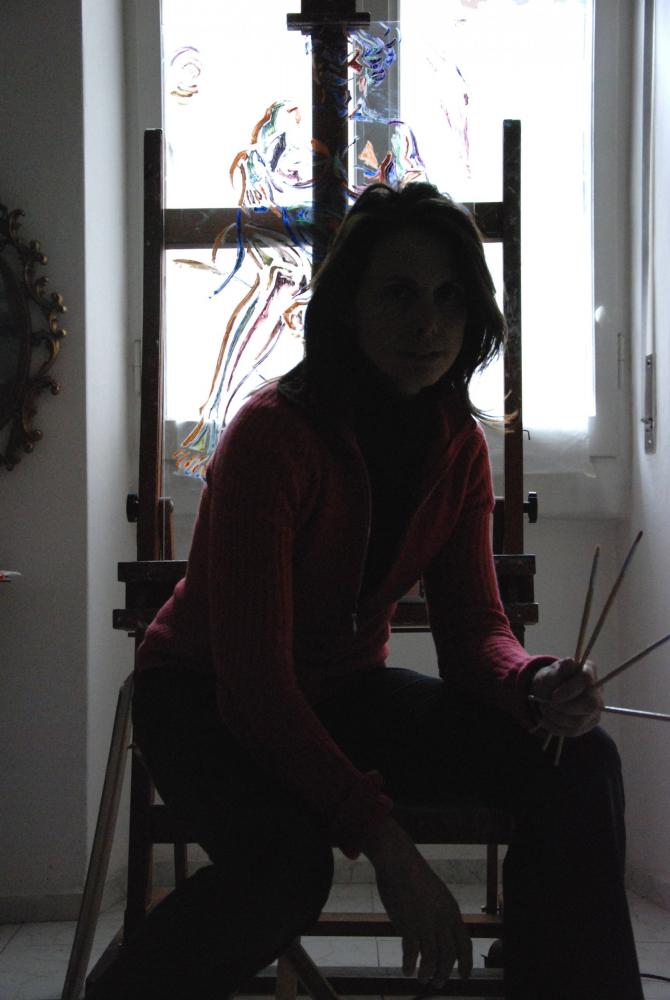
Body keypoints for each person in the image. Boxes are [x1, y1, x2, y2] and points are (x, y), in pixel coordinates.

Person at [96, 182, 643, 999]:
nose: (429, 323)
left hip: (341, 693)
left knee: (579, 759)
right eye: (398, 293)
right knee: (286, 868)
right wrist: (388, 845)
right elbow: (256, 688)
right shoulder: (272, 438)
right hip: (204, 701)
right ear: (348, 306)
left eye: (449, 296)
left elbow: (475, 633)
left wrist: (535, 683)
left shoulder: (458, 446)